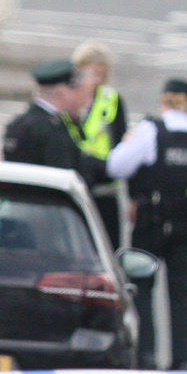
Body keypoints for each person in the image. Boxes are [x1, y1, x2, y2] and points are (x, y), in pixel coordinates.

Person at [107, 77, 187, 369]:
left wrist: (126, 144)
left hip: (151, 220)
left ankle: (146, 355)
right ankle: (181, 358)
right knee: (181, 291)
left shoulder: (151, 131)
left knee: (142, 286)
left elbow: (117, 166)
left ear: (164, 100)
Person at [2, 59, 101, 186]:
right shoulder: (52, 130)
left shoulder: (17, 124)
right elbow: (63, 180)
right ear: (62, 92)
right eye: (72, 89)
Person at [67, 40, 128, 245]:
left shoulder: (111, 99)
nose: (98, 80)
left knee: (108, 246)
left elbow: (120, 141)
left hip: (104, 186)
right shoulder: (67, 98)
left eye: (102, 74)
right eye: (93, 73)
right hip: (75, 181)